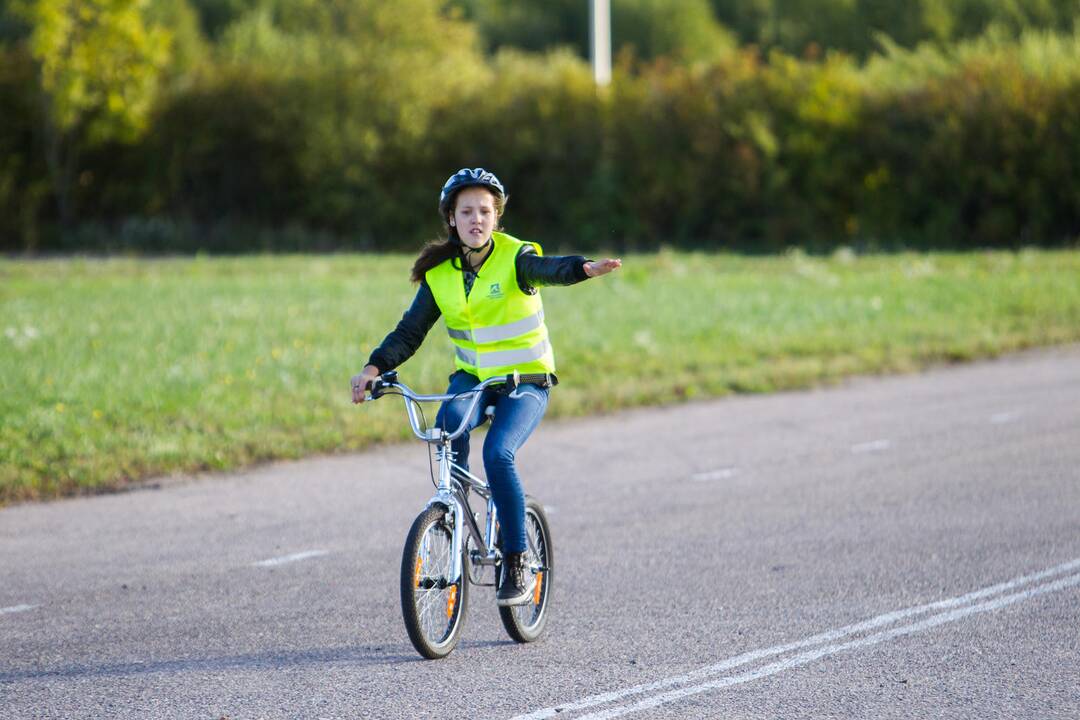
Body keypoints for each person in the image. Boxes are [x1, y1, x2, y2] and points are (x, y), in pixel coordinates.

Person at [352, 167, 621, 606]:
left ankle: (515, 559)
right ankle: (452, 515)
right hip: (473, 381)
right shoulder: (439, 275)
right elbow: (409, 332)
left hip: (525, 381)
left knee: (498, 454)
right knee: (446, 427)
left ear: (497, 217)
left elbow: (548, 269)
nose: (476, 219)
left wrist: (583, 269)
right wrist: (372, 367)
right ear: (451, 219)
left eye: (484, 211)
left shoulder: (516, 258)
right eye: (466, 212)